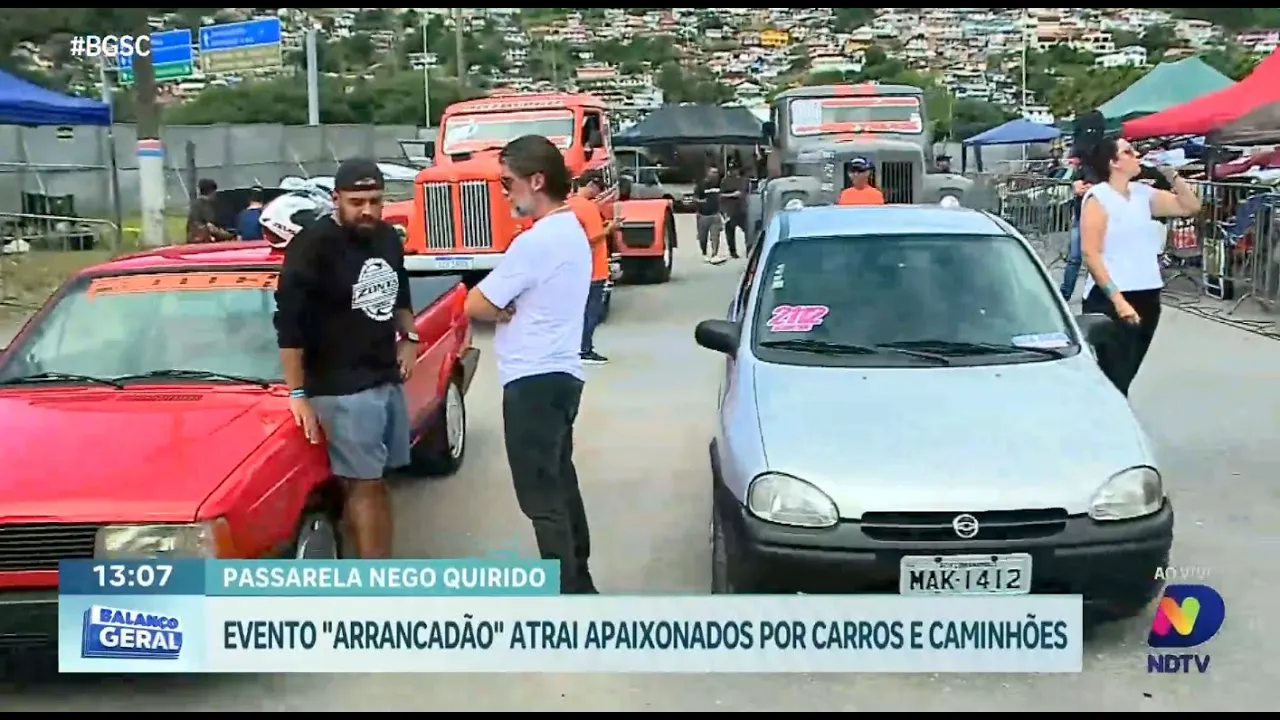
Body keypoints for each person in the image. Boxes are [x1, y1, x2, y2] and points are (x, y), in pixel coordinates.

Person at [464, 135, 597, 594]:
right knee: (560, 481)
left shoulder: (536, 242)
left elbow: (474, 303)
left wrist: (497, 308)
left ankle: (567, 592)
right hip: (561, 374)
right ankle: (580, 576)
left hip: (531, 381)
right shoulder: (572, 231)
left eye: (508, 183)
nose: (504, 194)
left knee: (540, 497)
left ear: (536, 180)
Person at [274, 158, 418, 559]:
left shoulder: (386, 236)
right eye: (357, 201)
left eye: (375, 200)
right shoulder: (314, 245)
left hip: (384, 377)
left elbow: (399, 290)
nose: (367, 210)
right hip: (340, 387)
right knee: (363, 485)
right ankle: (376, 588)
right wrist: (298, 392)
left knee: (378, 482)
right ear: (335, 199)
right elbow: (289, 323)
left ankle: (379, 571)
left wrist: (410, 337)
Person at [1078, 137, 1201, 397]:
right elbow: (1091, 253)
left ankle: (1109, 424)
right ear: (1113, 163)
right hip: (1112, 298)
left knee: (1128, 372)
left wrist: (1172, 174)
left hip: (1147, 293)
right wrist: (1118, 300)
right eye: (1128, 152)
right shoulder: (1098, 198)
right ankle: (1108, 428)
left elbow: (1190, 207)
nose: (1136, 156)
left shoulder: (1143, 194)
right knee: (1115, 376)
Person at [568, 171, 619, 365]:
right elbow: (592, 237)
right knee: (592, 311)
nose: (599, 193)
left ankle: (574, 347)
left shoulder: (568, 205)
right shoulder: (588, 208)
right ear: (590, 184)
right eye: (599, 188)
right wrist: (609, 228)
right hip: (594, 269)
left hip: (574, 268)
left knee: (577, 312)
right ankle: (584, 349)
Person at [693, 166, 726, 264]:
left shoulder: (720, 185)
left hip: (715, 214)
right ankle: (704, 253)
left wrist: (724, 214)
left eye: (716, 172)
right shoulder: (701, 185)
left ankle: (715, 254)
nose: (715, 175)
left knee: (715, 236)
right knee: (702, 237)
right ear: (708, 173)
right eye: (713, 172)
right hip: (703, 215)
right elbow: (694, 198)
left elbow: (722, 198)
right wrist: (701, 201)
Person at [186, 178, 235, 243]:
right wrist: (230, 235)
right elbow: (212, 228)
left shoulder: (196, 204)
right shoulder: (204, 206)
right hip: (203, 240)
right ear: (211, 192)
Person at [720, 166, 747, 260]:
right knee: (730, 233)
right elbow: (720, 195)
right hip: (730, 210)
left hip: (742, 209)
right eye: (731, 170)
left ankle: (749, 248)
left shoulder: (743, 180)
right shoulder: (725, 181)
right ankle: (733, 252)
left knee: (748, 231)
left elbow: (742, 193)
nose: (733, 172)